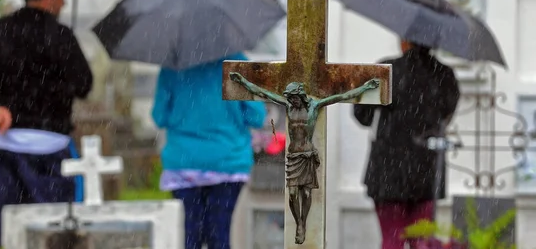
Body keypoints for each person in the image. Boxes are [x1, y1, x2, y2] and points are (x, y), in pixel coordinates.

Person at [0, 0, 93, 249]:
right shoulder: (61, 36)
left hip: (8, 144)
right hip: (52, 146)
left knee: (8, 221)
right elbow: (84, 84)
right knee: (57, 226)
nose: (64, 3)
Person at [229, 73, 379, 244]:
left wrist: (366, 87)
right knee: (292, 193)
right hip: (293, 155)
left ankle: (302, 223)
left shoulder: (314, 107)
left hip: (307, 155)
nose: (292, 100)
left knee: (306, 192)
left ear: (300, 95)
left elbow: (342, 95)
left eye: (294, 97)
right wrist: (242, 81)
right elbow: (262, 93)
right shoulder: (287, 106)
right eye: (290, 98)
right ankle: (299, 221)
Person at [152, 53, 266, 249]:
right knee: (220, 235)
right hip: (227, 161)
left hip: (184, 162)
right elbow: (256, 116)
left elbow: (159, 116)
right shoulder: (234, 61)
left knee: (190, 236)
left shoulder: (173, 65)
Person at [353, 41, 460, 249]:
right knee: (421, 241)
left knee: (392, 239)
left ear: (404, 41)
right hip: (427, 167)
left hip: (388, 169)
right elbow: (447, 115)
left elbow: (362, 116)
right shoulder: (444, 74)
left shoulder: (386, 70)